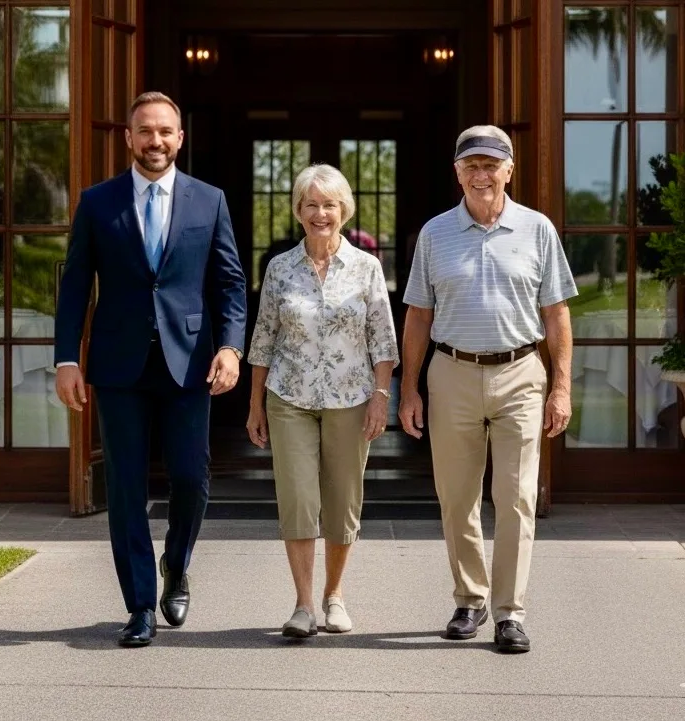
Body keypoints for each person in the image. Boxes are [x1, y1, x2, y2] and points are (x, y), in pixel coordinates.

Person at [54, 92, 247, 647]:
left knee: (191, 478)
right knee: (125, 486)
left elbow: (229, 282)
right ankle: (139, 605)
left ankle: (178, 564)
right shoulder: (97, 202)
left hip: (189, 365)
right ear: (129, 138)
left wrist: (231, 347)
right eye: (145, 131)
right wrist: (69, 357)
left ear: (180, 138)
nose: (155, 141)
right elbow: (73, 288)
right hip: (118, 367)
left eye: (165, 131)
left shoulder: (209, 201)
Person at [399, 125, 577, 653]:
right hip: (451, 372)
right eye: (471, 165)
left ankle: (509, 612)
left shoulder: (538, 229)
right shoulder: (434, 234)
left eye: (491, 164)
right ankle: (470, 598)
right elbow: (417, 317)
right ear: (457, 173)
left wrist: (560, 385)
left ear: (509, 169)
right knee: (457, 497)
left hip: (521, 372)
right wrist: (409, 389)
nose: (481, 174)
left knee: (517, 497)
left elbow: (557, 314)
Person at [246, 164, 399, 638]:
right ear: (298, 211)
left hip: (352, 398)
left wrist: (380, 398)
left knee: (342, 500)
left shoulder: (367, 268)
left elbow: (383, 341)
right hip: (288, 396)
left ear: (343, 210)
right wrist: (255, 405)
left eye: (329, 205)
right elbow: (263, 339)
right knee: (297, 498)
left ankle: (335, 595)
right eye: (310, 204)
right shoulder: (279, 268)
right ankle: (304, 605)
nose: (320, 214)